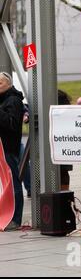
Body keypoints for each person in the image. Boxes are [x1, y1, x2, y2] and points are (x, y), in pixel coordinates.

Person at [0, 72, 25, 231]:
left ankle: (15, 218)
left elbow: (12, 124)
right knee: (4, 185)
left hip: (8, 149)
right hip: (2, 150)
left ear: (9, 84)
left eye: (0, 83)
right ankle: (5, 214)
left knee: (13, 184)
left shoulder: (13, 100)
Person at [58, 90, 73, 191]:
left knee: (62, 172)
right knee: (63, 172)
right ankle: (64, 193)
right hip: (64, 145)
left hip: (61, 144)